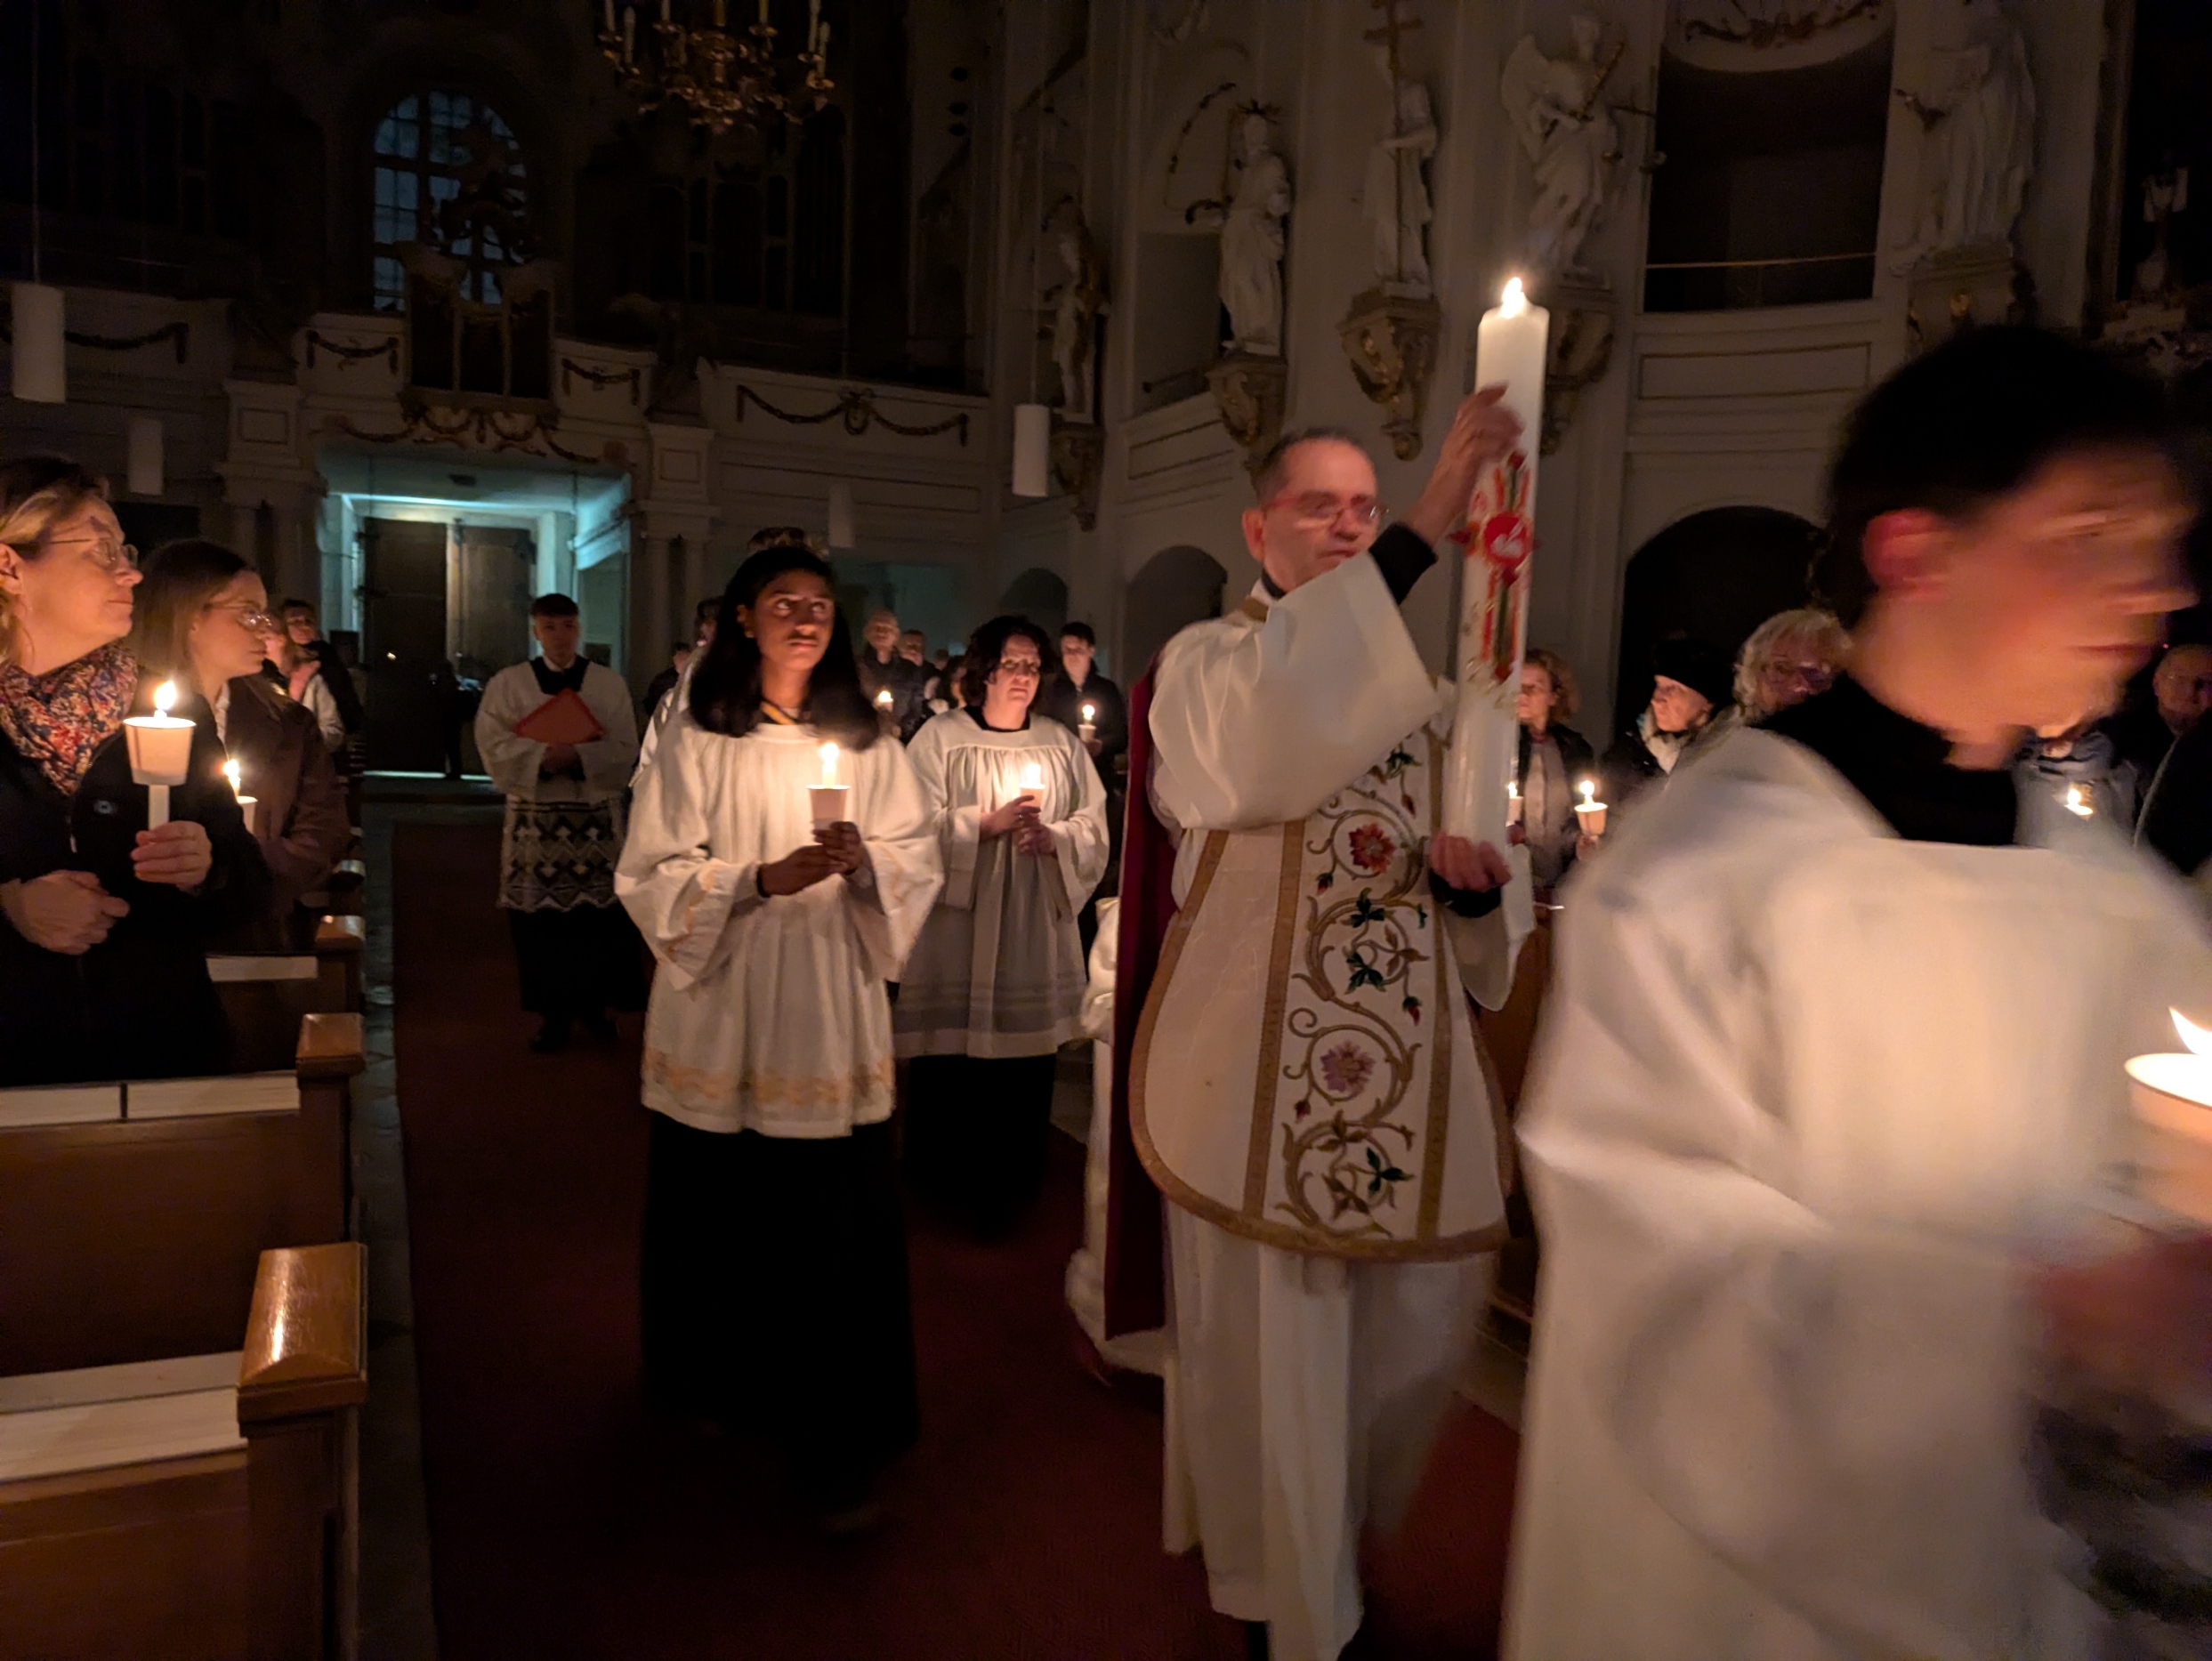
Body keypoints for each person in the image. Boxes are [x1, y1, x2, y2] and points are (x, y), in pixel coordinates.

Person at [1506, 327, 2212, 1658]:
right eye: (2092, 533)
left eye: (2161, 543)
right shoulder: (1699, 878)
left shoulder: (2110, 899)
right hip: (1744, 1604)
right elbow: (1665, 1296)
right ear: (1914, 552)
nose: (2158, 587)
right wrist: (2037, 1323)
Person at [1110, 395, 1526, 1661]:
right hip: (1253, 1077)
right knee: (1270, 1352)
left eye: (1366, 507)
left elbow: (1476, 863)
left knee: (1408, 1341)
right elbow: (1262, 751)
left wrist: (1475, 891)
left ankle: (1329, 1549)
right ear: (1258, 529)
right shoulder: (1205, 666)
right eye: (1320, 507)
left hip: (1396, 1074)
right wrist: (1424, 521)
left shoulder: (1421, 695)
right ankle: (1276, 1599)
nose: (1350, 526)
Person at [616, 543, 941, 1529]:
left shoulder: (869, 743)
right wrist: (757, 879)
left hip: (826, 996)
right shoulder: (697, 737)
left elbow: (915, 855)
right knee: (721, 1208)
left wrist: (866, 863)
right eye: (784, 602)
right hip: (726, 995)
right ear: (743, 619)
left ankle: (834, 1426)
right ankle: (718, 1377)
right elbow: (648, 870)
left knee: (829, 1221)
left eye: (819, 605)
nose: (805, 618)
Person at [0, 456, 267, 1085]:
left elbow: (249, 887)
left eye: (124, 549)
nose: (131, 572)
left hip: (159, 1059)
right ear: (10, 567)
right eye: (100, 551)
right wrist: (9, 908)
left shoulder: (167, 706)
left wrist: (208, 867)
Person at [897, 616, 1110, 1232]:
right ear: (983, 670)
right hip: (958, 925)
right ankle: (940, 1181)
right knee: (953, 1054)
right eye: (1011, 664)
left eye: (1032, 666)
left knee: (1022, 1061)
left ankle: (1013, 1184)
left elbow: (1094, 825)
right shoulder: (941, 738)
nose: (1022, 676)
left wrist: (1055, 838)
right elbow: (906, 824)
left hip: (1029, 923)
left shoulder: (1059, 743)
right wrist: (981, 825)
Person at [133, 539, 348, 948]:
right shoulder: (123, 716)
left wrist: (231, 870)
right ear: (189, 616)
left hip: (254, 935)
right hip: (143, 938)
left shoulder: (289, 724)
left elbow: (323, 833)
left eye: (265, 614)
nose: (267, 629)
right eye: (249, 614)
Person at [475, 593, 642, 1052]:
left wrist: (579, 756)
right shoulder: (509, 683)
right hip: (536, 825)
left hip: (594, 824)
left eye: (567, 626)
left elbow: (625, 744)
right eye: (549, 627)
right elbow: (491, 741)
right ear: (535, 631)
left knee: (596, 924)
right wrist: (542, 757)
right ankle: (553, 1015)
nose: (559, 636)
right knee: (542, 926)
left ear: (579, 628)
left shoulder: (607, 684)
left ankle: (595, 1008)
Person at [1599, 636, 1732, 818]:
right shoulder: (1627, 754)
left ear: (1708, 702)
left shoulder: (1731, 759)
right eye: (1659, 686)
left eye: (1673, 689)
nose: (1657, 700)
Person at [1514, 646, 1594, 890]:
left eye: (1534, 688)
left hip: (1560, 879)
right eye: (1518, 686)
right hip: (1512, 875)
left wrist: (1580, 841)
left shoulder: (1574, 750)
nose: (1523, 694)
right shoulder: (1502, 746)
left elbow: (1579, 812)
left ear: (1554, 696)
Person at [1729, 606, 1849, 724]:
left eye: (1814, 674)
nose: (1799, 686)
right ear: (1754, 668)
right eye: (1781, 668)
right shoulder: (1731, 728)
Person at [1037, 621, 1128, 769]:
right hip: (1060, 768)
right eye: (1067, 650)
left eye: (1078, 650)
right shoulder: (1049, 688)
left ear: (1091, 651)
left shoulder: (1106, 690)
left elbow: (1121, 735)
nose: (1072, 656)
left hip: (1098, 770)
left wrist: (1100, 745)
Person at [278, 599, 365, 737]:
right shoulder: (273, 662)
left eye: (309, 621)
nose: (305, 626)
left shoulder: (327, 659)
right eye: (296, 622)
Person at [267, 620, 346, 754]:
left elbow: (333, 732)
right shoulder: (254, 681)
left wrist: (299, 743)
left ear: (282, 640)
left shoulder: (312, 681)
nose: (259, 644)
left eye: (267, 638)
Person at [857, 608, 928, 741]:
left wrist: (901, 729)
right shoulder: (854, 668)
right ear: (866, 632)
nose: (881, 633)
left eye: (887, 629)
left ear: (896, 635)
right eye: (877, 628)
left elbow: (915, 710)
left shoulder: (910, 671)